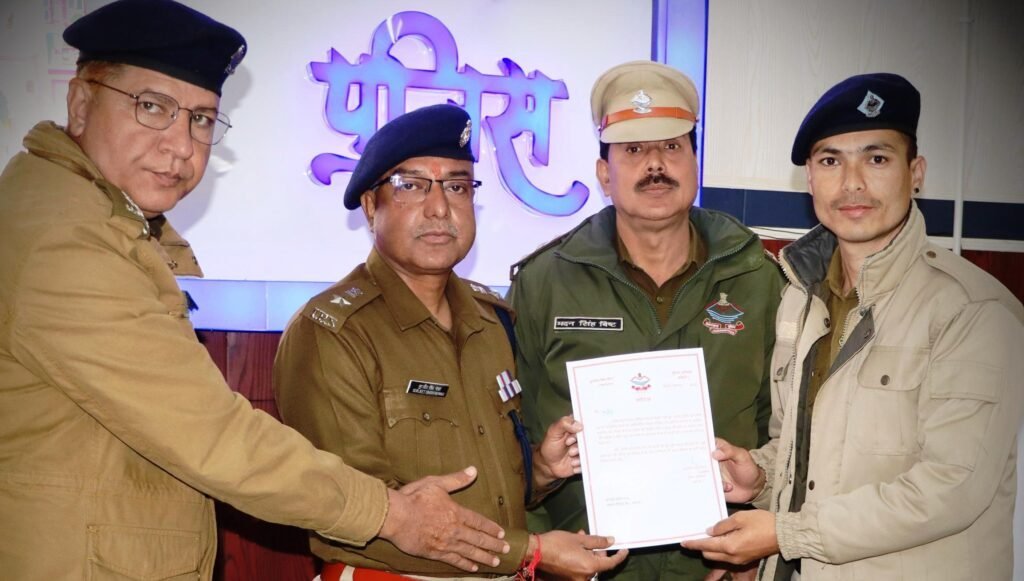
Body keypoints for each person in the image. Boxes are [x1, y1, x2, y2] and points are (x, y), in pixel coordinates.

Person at [0, 2, 510, 579]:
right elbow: (211, 434)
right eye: (152, 107)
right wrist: (393, 515)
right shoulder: (63, 239)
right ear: (80, 103)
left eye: (200, 119)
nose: (181, 145)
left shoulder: (117, 226)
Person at [683, 73, 1024, 580]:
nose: (852, 183)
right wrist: (761, 476)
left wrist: (786, 533)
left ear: (916, 173)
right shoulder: (800, 296)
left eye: (877, 158)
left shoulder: (974, 309)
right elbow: (806, 450)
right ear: (810, 179)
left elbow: (951, 487)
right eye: (830, 161)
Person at [273, 103, 630, 581]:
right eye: (412, 185)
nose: (440, 208)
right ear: (371, 205)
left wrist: (541, 471)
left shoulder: (493, 322)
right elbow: (359, 511)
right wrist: (532, 551)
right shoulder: (334, 333)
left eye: (457, 187)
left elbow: (490, 491)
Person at [507, 60, 784, 579]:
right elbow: (511, 439)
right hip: (583, 567)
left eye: (672, 146)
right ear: (604, 174)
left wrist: (763, 544)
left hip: (719, 567)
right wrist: (541, 551)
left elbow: (785, 428)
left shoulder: (758, 277)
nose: (656, 164)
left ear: (695, 162)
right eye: (633, 150)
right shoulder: (545, 281)